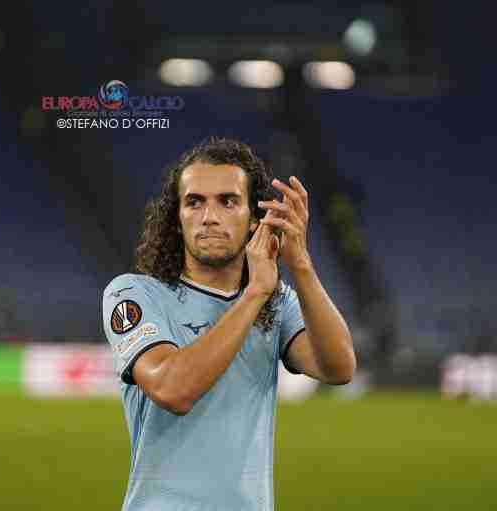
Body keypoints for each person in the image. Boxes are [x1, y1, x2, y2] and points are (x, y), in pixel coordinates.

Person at [102, 137, 356, 511]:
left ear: (255, 217)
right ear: (177, 219)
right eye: (194, 202)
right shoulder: (134, 295)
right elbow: (173, 389)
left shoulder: (277, 300)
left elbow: (338, 367)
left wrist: (299, 263)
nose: (209, 216)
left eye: (228, 201)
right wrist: (253, 293)